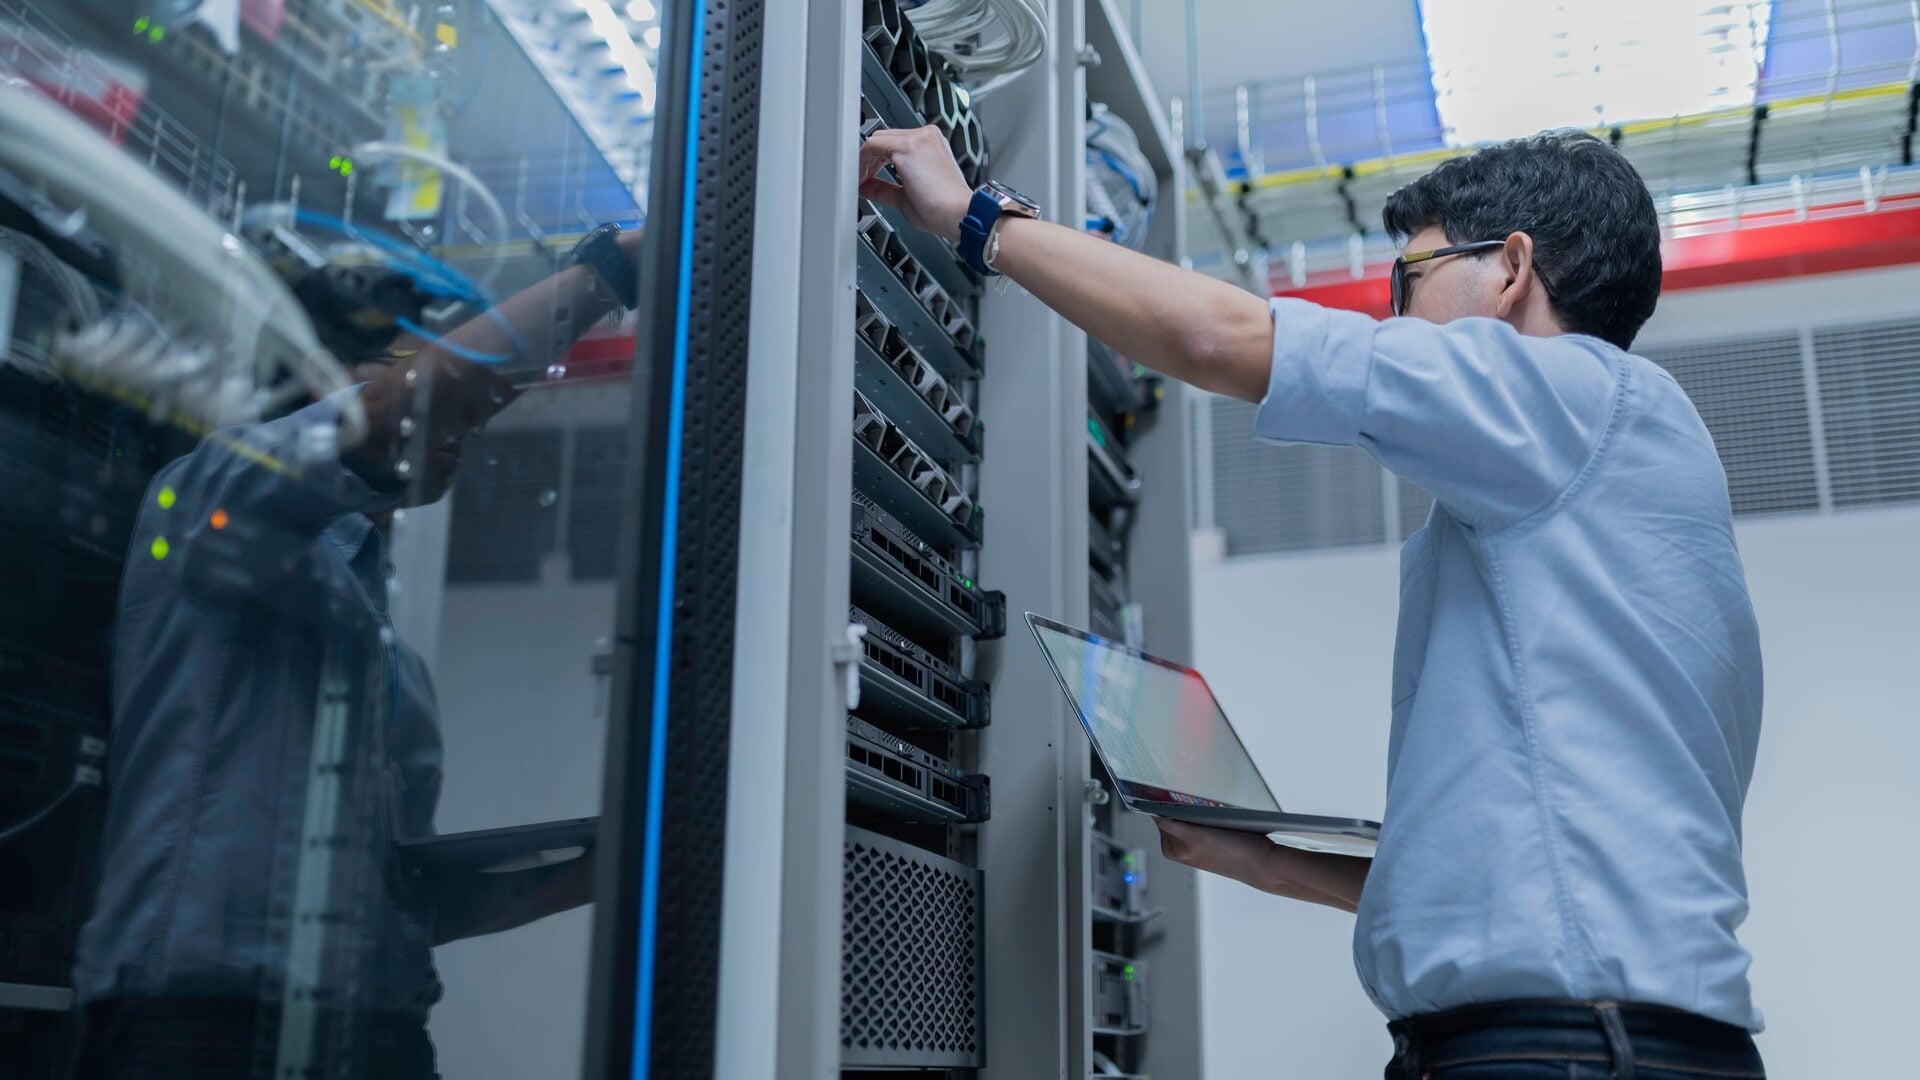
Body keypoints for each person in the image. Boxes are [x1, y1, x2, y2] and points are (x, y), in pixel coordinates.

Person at [859, 127, 1766, 1079]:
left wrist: (977, 218)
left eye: (1407, 279)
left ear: (1510, 270)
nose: (1398, 313)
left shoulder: (1579, 393)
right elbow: (1516, 877)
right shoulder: (1608, 499)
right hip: (1589, 1045)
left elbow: (1220, 336)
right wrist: (1266, 860)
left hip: (1574, 1052)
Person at [70, 225, 643, 1080]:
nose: (460, 421)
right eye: (421, 375)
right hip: (203, 1033)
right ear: (315, 386)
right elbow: (384, 420)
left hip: (378, 1031)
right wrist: (610, 271)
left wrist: (628, 859)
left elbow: (401, 903)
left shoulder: (390, 654)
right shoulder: (209, 500)